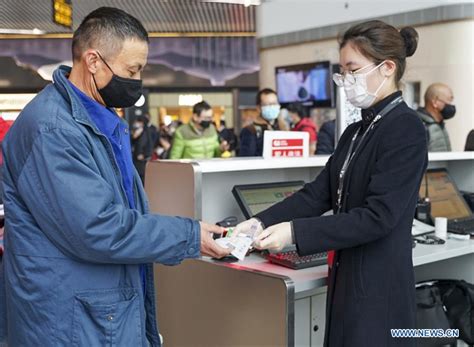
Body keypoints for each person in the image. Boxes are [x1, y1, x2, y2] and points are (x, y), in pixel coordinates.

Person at [0, 7, 230, 346]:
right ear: (93, 61)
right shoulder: (53, 129)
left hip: (95, 308)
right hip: (68, 321)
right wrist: (189, 235)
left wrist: (190, 232)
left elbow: (119, 213)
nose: (136, 81)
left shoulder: (97, 118)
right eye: (132, 69)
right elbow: (98, 228)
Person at [234, 20, 426, 347]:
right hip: (347, 274)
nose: (346, 81)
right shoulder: (356, 131)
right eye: (342, 72)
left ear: (387, 68)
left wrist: (294, 233)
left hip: (379, 282)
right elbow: (318, 193)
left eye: (353, 70)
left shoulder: (406, 129)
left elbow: (378, 216)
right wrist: (260, 221)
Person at [239, 88, 280, 156]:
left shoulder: (280, 127)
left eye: (274, 103)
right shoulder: (250, 131)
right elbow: (247, 158)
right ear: (259, 108)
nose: (272, 107)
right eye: (268, 104)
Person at [417, 83, 455, 151]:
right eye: (449, 100)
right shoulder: (420, 126)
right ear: (435, 102)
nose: (451, 105)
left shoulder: (439, 124)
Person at [131, 115, 153, 183]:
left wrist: (140, 153)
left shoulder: (144, 132)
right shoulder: (146, 131)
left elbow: (140, 144)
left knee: (140, 178)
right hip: (143, 159)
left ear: (142, 123)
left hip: (140, 159)